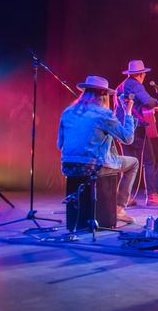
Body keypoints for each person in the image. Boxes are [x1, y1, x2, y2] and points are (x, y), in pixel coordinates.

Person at [57, 75, 139, 224]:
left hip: (68, 167)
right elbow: (127, 138)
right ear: (103, 94)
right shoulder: (103, 114)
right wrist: (128, 112)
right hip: (92, 167)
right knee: (133, 163)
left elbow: (59, 144)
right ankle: (119, 208)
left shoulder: (67, 112)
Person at [115, 60, 158, 206]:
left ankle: (125, 197)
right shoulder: (135, 85)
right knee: (148, 161)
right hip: (135, 128)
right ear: (141, 74)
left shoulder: (120, 86)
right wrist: (157, 104)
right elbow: (148, 101)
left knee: (128, 163)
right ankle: (152, 196)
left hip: (121, 129)